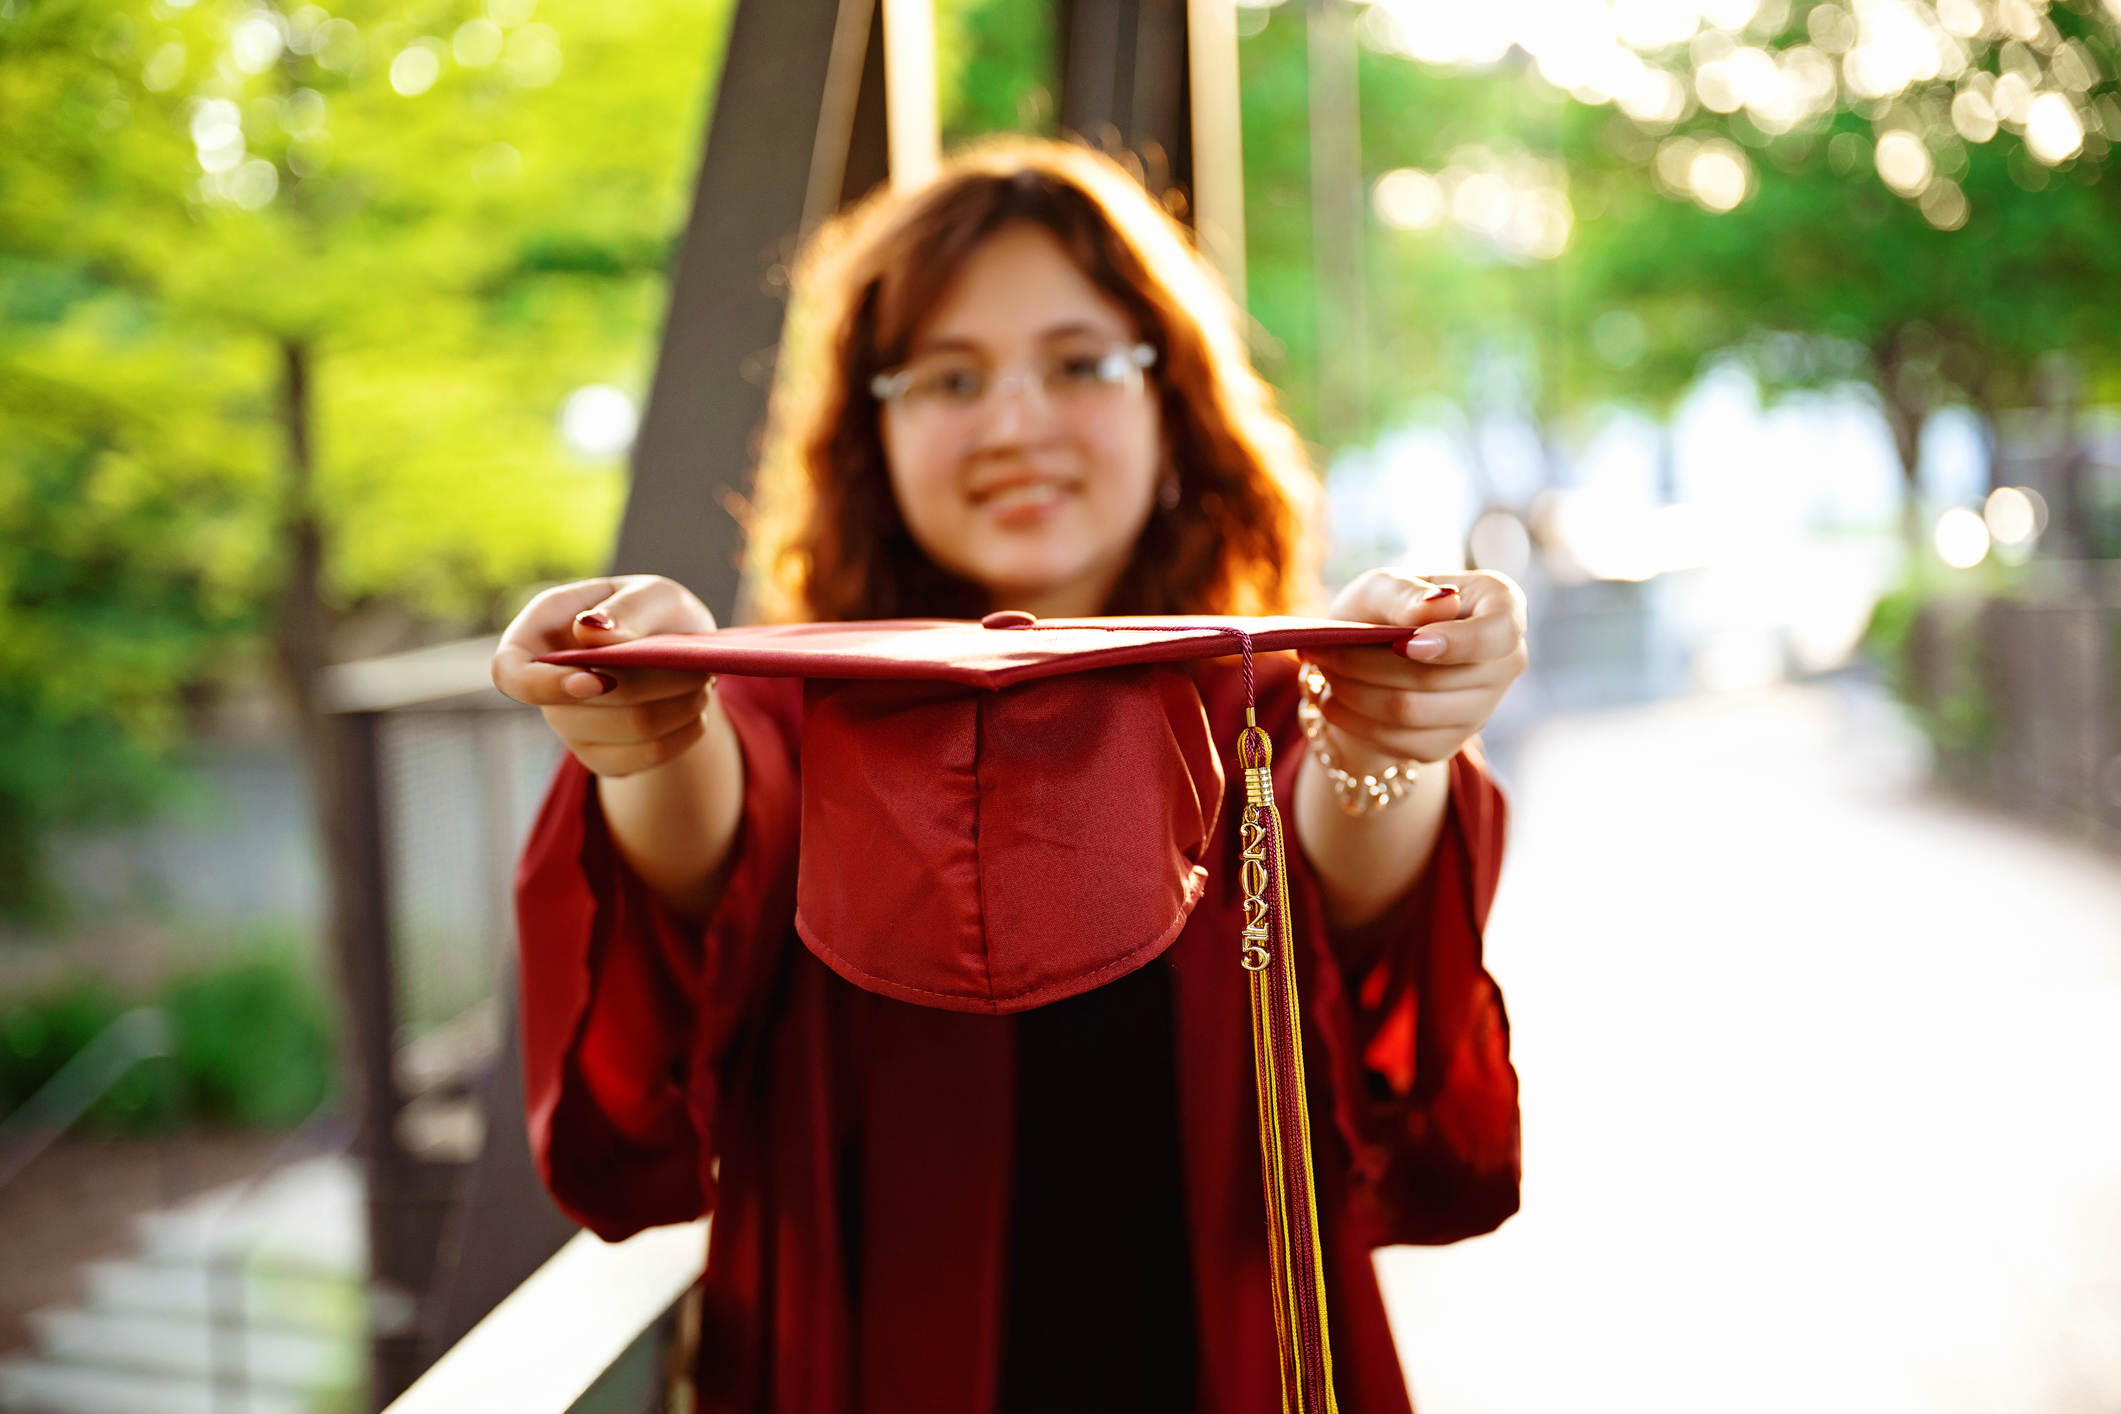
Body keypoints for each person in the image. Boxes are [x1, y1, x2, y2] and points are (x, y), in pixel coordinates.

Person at [494, 139, 1528, 1414]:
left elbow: (1348, 875)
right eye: (949, 376)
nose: (1017, 421)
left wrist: (1383, 732)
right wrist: (650, 728)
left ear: (1175, 399)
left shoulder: (1268, 700)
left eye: (1080, 362)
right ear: (872, 426)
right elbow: (715, 822)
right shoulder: (784, 707)